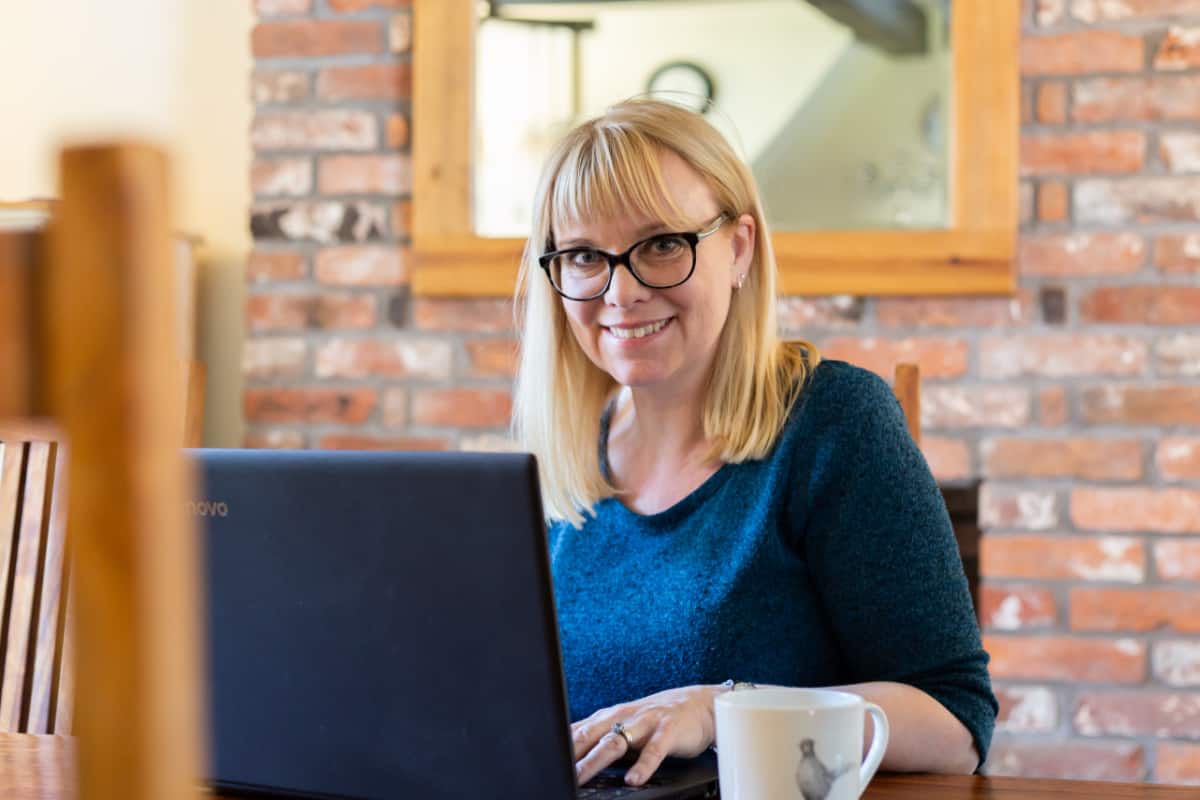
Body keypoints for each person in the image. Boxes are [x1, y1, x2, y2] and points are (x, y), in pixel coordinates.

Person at [512, 98, 996, 789]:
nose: (621, 291)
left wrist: (721, 709)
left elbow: (955, 726)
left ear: (738, 247)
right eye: (586, 256)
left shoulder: (834, 423)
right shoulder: (560, 463)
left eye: (661, 245)